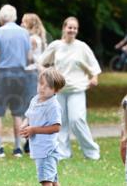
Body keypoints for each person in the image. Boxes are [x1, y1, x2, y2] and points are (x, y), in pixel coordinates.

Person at [40, 16, 101, 161]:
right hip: (60, 90)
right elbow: (42, 63)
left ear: (77, 30)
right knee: (61, 122)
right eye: (69, 27)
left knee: (77, 120)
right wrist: (48, 75)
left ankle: (92, 152)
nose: (72, 30)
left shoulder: (82, 47)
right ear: (64, 28)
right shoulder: (56, 45)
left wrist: (94, 78)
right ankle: (63, 152)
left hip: (77, 90)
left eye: (75, 28)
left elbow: (94, 67)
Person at [19, 67, 66, 186]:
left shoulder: (53, 105)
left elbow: (56, 127)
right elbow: (29, 116)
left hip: (47, 150)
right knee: (52, 180)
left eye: (48, 86)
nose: (42, 88)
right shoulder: (35, 100)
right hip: (38, 148)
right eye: (41, 84)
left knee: (46, 182)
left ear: (56, 90)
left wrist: (34, 129)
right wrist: (25, 125)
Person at [0, 4, 32, 158]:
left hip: (4, 74)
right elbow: (29, 57)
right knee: (18, 113)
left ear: (1, 17)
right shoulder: (24, 33)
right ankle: (17, 148)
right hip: (21, 75)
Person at [21, 13, 47, 106]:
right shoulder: (38, 38)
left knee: (29, 101)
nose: (21, 24)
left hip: (30, 72)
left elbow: (29, 58)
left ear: (30, 24)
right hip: (35, 72)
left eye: (24, 22)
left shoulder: (32, 39)